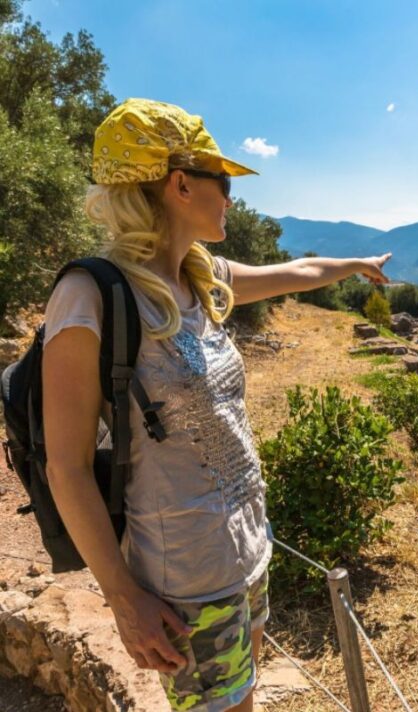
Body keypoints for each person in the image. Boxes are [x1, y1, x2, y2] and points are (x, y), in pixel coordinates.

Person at [41, 97, 391, 712]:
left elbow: (299, 270)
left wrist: (356, 264)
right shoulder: (88, 296)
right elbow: (65, 467)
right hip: (187, 582)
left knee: (246, 695)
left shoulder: (200, 276)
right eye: (222, 181)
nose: (230, 197)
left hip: (250, 549)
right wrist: (123, 598)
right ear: (179, 184)